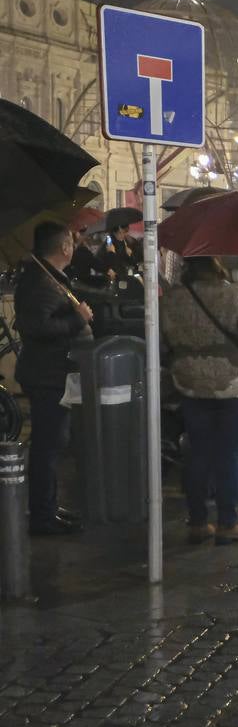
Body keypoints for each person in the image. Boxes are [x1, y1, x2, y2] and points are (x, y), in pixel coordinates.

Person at [161, 257, 238, 544]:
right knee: (229, 453)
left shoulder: (173, 299)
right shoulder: (234, 294)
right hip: (233, 385)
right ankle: (226, 522)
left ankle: (197, 522)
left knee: (197, 452)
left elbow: (164, 342)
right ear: (216, 265)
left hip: (191, 384)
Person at [15, 223, 92, 536]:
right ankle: (42, 516)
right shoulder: (40, 282)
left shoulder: (49, 278)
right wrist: (78, 319)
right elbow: (37, 327)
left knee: (54, 444)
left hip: (56, 372)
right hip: (47, 375)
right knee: (48, 446)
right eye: (71, 242)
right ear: (64, 247)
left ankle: (48, 506)